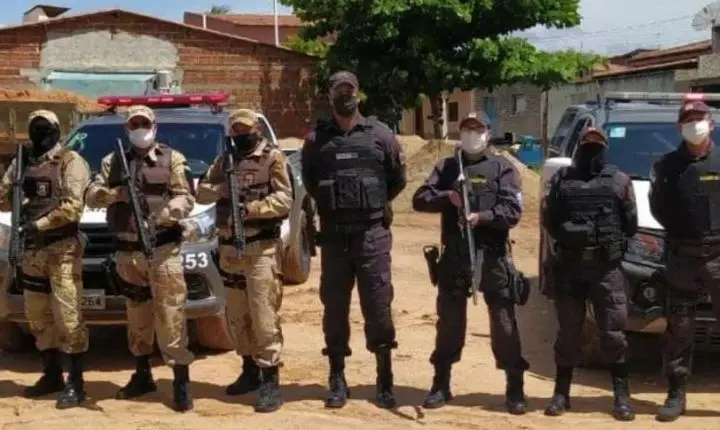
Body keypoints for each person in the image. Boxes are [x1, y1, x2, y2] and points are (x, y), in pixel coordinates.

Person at [301, 70, 407, 409]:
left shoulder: (381, 135)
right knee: (334, 309)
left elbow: (397, 179)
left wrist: (371, 205)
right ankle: (337, 378)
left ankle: (384, 379)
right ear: (330, 95)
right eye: (338, 91)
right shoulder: (316, 140)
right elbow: (311, 183)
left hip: (371, 236)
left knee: (378, 307)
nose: (344, 96)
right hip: (334, 239)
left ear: (358, 94)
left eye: (349, 91)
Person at [412, 111, 528, 414]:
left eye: (477, 129)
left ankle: (514, 386)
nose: (471, 134)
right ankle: (441, 382)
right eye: (466, 129)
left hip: (493, 256)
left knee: (503, 323)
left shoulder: (503, 168)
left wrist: (482, 217)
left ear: (488, 133)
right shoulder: (448, 166)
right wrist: (447, 197)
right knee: (449, 322)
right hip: (455, 256)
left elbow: (513, 211)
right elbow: (419, 198)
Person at [85, 105, 195, 412]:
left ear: (154, 127)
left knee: (171, 315)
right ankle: (142, 374)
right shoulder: (112, 161)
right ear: (127, 129)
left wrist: (163, 216)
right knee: (137, 315)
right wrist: (115, 194)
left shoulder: (172, 158)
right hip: (127, 251)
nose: (139, 129)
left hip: (162, 249)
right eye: (134, 124)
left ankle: (181, 380)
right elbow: (91, 193)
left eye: (144, 123)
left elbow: (185, 196)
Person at [196, 108, 292, 413]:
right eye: (236, 130)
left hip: (261, 248)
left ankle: (270, 379)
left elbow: (285, 199)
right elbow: (200, 193)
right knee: (238, 314)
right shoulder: (224, 160)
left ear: (257, 130)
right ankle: (249, 368)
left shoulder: (272, 158)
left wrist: (252, 209)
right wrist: (222, 189)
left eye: (245, 130)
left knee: (263, 315)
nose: (241, 135)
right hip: (230, 250)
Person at [541, 127, 638, 421]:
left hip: (605, 268)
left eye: (597, 145)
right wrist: (569, 234)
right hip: (570, 268)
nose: (592, 149)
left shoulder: (619, 181)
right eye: (587, 144)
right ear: (579, 146)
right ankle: (561, 394)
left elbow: (630, 224)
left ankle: (621, 396)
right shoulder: (562, 180)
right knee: (568, 333)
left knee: (613, 333)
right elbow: (549, 219)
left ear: (605, 148)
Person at [0, 110, 90, 409]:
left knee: (68, 316)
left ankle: (76, 383)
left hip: (61, 248)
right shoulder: (22, 162)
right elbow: (3, 200)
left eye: (46, 128)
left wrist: (36, 225)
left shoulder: (70, 161)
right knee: (37, 315)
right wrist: (15, 187)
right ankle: (51, 374)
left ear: (57, 130)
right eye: (35, 128)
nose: (40, 134)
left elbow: (72, 207)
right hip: (31, 251)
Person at [649, 100, 720, 422]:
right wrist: (683, 231)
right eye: (688, 120)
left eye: (700, 118)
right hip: (683, 255)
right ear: (679, 127)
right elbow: (658, 207)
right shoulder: (667, 166)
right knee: (680, 327)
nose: (695, 125)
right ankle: (676, 393)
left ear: (712, 123)